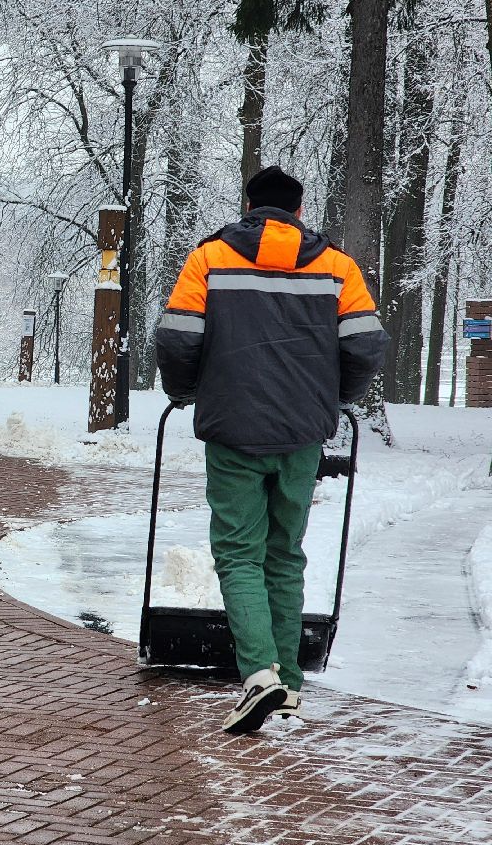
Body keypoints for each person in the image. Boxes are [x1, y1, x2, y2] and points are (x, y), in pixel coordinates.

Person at [155, 166, 387, 734]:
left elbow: (177, 337)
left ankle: (260, 675)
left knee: (238, 553)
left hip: (233, 428)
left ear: (249, 208)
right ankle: (290, 684)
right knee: (285, 553)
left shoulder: (210, 258)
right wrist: (333, 398)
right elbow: (365, 344)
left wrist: (184, 390)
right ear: (299, 211)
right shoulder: (337, 266)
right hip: (303, 433)